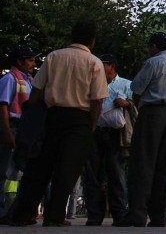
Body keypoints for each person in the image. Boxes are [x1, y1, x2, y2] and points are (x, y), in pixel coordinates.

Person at [11, 20, 109, 227]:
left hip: (52, 116)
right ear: (92, 41)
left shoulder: (54, 56)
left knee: (39, 167)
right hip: (79, 120)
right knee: (67, 170)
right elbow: (97, 101)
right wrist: (90, 125)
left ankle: (24, 212)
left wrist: (33, 116)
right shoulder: (94, 63)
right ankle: (54, 215)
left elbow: (37, 88)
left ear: (72, 37)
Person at [118, 32, 166, 227]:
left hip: (152, 114)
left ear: (154, 46)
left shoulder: (154, 62)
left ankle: (137, 215)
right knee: (162, 168)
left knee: (143, 163)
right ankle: (158, 217)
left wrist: (140, 109)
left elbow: (136, 89)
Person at [84, 53, 133, 226]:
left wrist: (126, 103)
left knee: (116, 174)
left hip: (115, 134)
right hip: (95, 131)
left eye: (102, 64)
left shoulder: (126, 84)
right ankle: (94, 214)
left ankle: (119, 213)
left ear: (111, 66)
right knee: (92, 174)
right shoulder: (92, 84)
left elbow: (135, 106)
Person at [0, 45, 36, 218]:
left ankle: (14, 210)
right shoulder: (10, 79)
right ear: (19, 61)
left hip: (23, 128)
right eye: (29, 60)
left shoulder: (28, 79)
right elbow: (3, 107)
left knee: (19, 170)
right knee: (4, 169)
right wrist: (7, 133)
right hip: (12, 126)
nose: (33, 63)